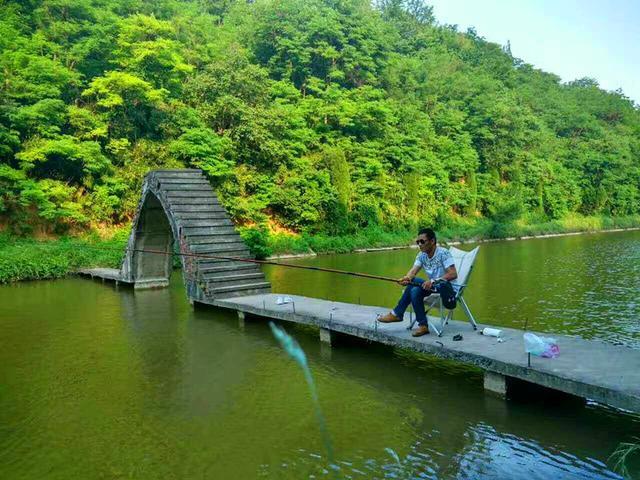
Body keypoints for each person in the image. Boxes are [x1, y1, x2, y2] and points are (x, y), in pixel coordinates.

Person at [377, 228, 458, 337]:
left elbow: (453, 274)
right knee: (413, 285)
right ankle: (421, 325)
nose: (419, 244)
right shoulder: (421, 255)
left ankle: (398, 314)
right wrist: (406, 278)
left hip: (446, 288)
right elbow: (413, 271)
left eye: (422, 241)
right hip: (432, 286)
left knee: (415, 289)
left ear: (432, 241)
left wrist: (433, 281)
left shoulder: (444, 253)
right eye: (418, 242)